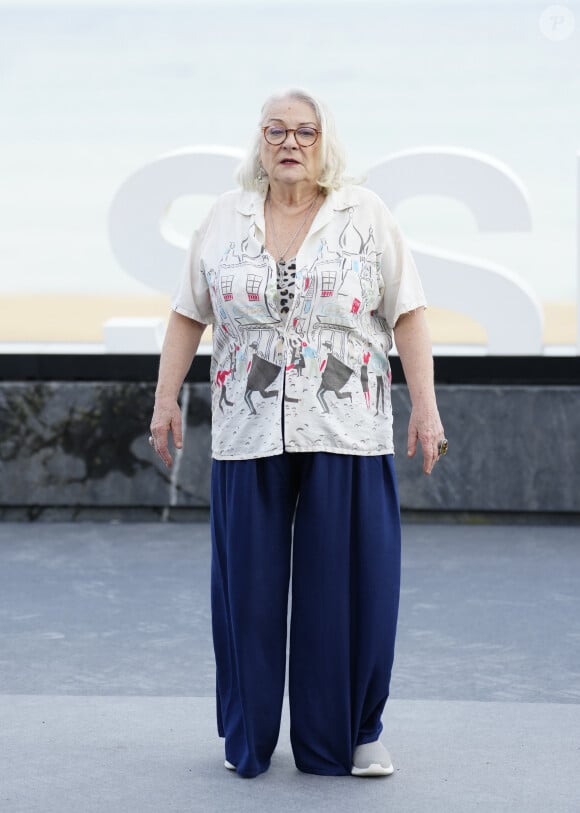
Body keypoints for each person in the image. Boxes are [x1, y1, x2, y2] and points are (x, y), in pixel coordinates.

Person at [149, 88, 446, 779]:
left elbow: (409, 312)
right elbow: (187, 313)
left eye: (305, 132)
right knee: (245, 588)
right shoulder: (224, 218)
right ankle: (248, 735)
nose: (290, 142)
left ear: (325, 141)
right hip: (247, 427)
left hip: (346, 424)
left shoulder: (364, 213)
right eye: (276, 130)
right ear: (258, 141)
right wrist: (165, 398)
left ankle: (354, 733)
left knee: (349, 584)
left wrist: (426, 408)